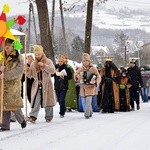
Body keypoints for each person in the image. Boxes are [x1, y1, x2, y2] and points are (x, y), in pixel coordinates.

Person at [0, 38, 26, 131]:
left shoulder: (19, 57)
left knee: (14, 106)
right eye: (5, 45)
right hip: (2, 84)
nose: (6, 47)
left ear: (13, 46)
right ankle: (4, 125)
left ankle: (21, 120)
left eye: (8, 45)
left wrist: (5, 74)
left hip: (13, 85)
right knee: (3, 105)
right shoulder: (1, 56)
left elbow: (19, 71)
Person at [26, 45, 56, 123]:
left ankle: (48, 116)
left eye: (39, 54)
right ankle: (33, 116)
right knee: (36, 100)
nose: (37, 56)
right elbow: (30, 74)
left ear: (42, 54)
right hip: (37, 84)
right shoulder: (33, 64)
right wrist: (26, 71)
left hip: (46, 84)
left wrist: (44, 66)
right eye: (36, 55)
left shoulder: (48, 61)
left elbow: (53, 70)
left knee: (48, 100)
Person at [74, 53, 101, 119]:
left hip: (91, 87)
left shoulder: (93, 68)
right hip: (83, 87)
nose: (85, 62)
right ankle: (90, 112)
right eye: (84, 61)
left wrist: (95, 81)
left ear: (89, 61)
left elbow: (98, 76)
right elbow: (75, 74)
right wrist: (78, 77)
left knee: (88, 100)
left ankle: (86, 114)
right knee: (86, 101)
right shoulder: (81, 68)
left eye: (86, 61)